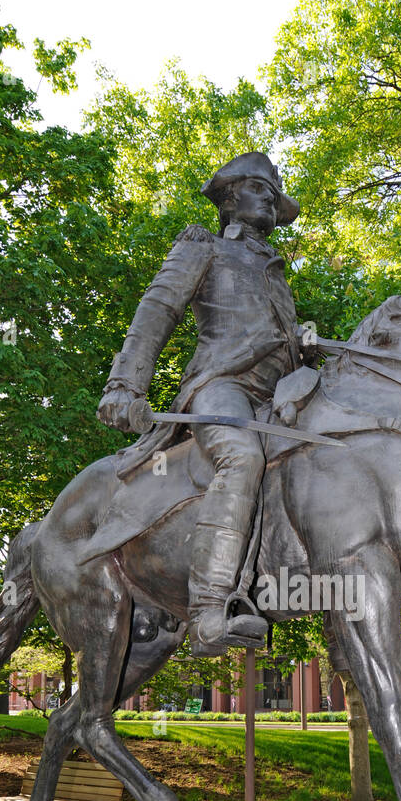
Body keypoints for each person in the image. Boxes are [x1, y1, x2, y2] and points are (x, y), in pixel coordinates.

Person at [97, 153, 307, 656]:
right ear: (229, 197)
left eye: (273, 194)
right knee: (242, 457)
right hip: (222, 386)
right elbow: (157, 311)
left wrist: (303, 344)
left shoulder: (274, 268)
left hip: (281, 393)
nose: (269, 200)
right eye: (259, 189)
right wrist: (124, 385)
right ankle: (210, 610)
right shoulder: (202, 246)